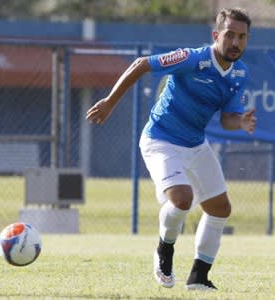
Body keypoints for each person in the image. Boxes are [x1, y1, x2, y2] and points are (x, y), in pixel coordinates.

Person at [86, 7, 256, 291]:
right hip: (161, 139)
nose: (236, 43)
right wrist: (110, 102)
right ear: (216, 35)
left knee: (220, 208)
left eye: (242, 37)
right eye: (230, 35)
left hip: (195, 143)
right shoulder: (193, 58)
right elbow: (142, 63)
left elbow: (227, 119)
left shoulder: (239, 72)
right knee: (182, 198)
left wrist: (241, 122)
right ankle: (164, 250)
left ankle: (199, 278)